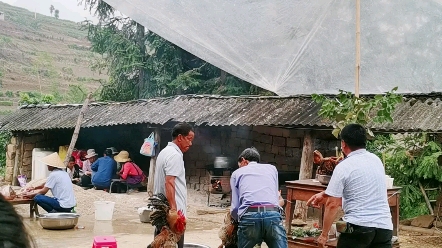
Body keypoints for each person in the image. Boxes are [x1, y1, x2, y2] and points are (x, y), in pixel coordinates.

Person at [307, 124, 393, 248]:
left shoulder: (343, 166)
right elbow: (359, 189)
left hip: (357, 228)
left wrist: (324, 235)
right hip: (384, 228)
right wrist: (325, 194)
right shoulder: (376, 160)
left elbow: (332, 204)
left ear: (343, 143)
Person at [230, 147, 288, 248]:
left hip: (249, 217)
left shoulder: (236, 173)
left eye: (239, 165)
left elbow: (235, 207)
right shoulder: (272, 169)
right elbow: (275, 198)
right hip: (272, 215)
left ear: (243, 160)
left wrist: (235, 221)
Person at [153, 122, 195, 248]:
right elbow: (169, 182)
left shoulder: (165, 152)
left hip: (162, 211)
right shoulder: (175, 155)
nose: (190, 143)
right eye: (189, 139)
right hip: (172, 216)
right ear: (180, 137)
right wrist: (173, 211)